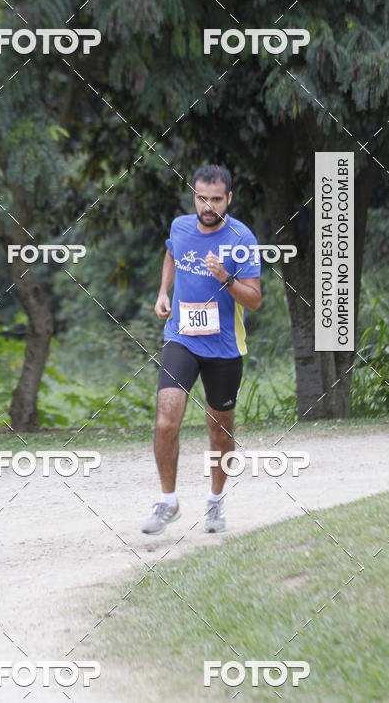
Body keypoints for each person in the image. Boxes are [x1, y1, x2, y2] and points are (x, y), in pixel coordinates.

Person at [142, 164, 262, 535]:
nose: (207, 206)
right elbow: (170, 254)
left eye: (215, 199)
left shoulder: (241, 239)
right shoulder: (180, 227)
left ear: (229, 198)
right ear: (193, 195)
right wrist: (164, 292)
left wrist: (225, 278)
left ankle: (214, 501)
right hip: (182, 338)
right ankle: (168, 501)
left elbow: (255, 300)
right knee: (166, 419)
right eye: (201, 198)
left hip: (224, 348)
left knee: (220, 431)